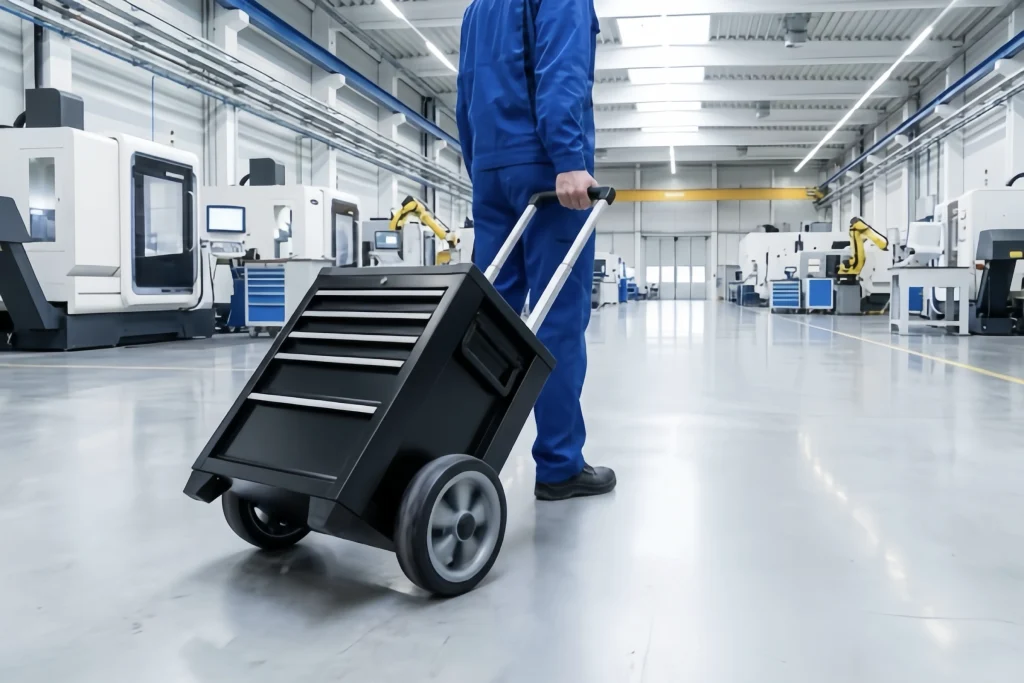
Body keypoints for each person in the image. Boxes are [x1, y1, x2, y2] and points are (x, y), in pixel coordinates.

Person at [456, 0, 616, 501]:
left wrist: (481, 166)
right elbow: (561, 66)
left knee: (487, 322)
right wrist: (568, 157)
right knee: (558, 324)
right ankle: (559, 465)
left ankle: (464, 450)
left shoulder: (477, 8)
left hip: (491, 170)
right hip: (547, 170)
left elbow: (466, 92)